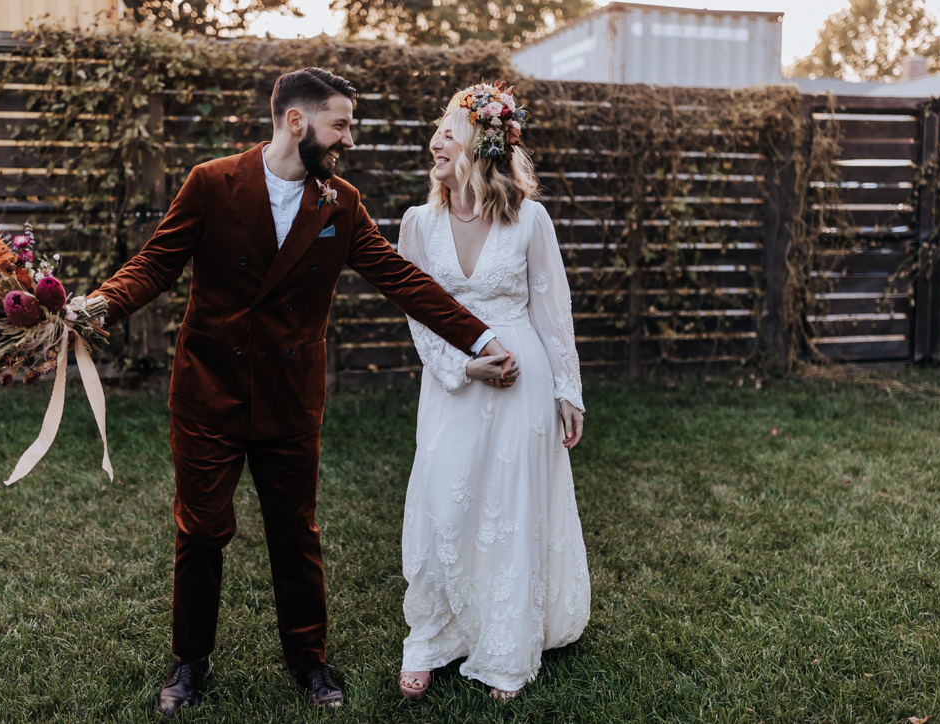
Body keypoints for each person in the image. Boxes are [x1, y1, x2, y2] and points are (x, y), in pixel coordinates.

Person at [87, 68, 517, 715]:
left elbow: (404, 280)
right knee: (201, 531)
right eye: (339, 124)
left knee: (296, 533)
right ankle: (190, 659)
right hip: (209, 392)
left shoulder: (340, 204)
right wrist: (97, 306)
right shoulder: (211, 183)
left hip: (290, 400)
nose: (347, 138)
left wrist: (478, 338)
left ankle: (310, 661)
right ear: (296, 122)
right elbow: (155, 263)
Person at [396, 82, 591, 702]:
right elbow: (416, 314)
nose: (435, 142)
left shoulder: (529, 219)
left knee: (508, 510)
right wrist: (461, 368)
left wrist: (568, 392)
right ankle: (431, 636)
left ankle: (505, 645)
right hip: (452, 381)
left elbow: (552, 311)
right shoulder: (417, 224)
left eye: (447, 132)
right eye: (437, 131)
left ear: (481, 143)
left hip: (522, 384)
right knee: (442, 502)